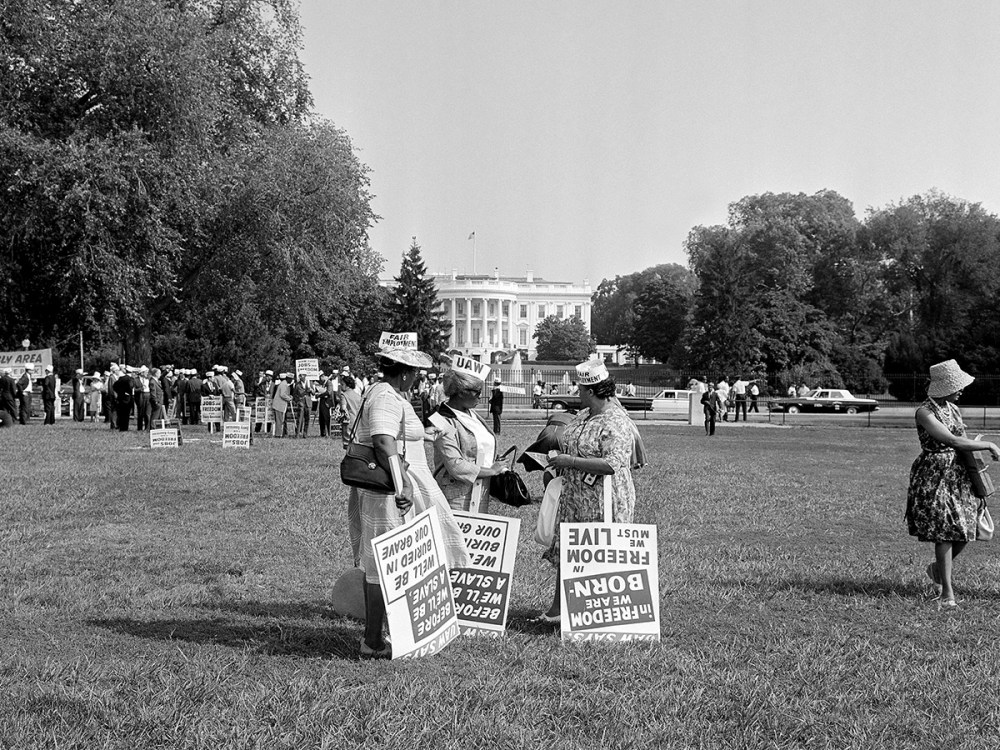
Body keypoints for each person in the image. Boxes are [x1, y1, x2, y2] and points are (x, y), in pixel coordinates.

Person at [344, 347, 470, 659]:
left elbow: (396, 435)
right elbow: (384, 440)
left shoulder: (386, 392)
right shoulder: (386, 395)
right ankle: (372, 640)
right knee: (383, 564)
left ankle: (388, 631)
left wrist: (425, 434)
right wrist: (403, 484)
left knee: (396, 560)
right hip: (388, 493)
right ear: (404, 372)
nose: (417, 379)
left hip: (395, 489)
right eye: (415, 373)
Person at [536, 359, 636, 623]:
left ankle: (595, 614)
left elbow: (613, 464)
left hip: (604, 498)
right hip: (575, 496)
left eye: (580, 389)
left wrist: (571, 462)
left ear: (591, 391)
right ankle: (557, 611)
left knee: (598, 552)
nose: (576, 393)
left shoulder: (616, 422)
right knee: (570, 551)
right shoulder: (583, 415)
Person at [906, 360, 1000, 608]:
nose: (961, 390)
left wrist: (976, 456)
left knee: (966, 528)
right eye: (958, 386)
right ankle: (947, 593)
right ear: (944, 387)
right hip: (934, 476)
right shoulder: (925, 412)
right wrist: (988, 445)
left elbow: (962, 439)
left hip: (959, 474)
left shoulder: (953, 409)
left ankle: (937, 570)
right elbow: (952, 441)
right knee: (944, 532)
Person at [431, 367, 508, 514]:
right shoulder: (440, 420)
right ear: (461, 392)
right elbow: (455, 466)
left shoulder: (471, 413)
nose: (481, 397)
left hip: (481, 489)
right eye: (477, 393)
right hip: (457, 495)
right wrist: (492, 470)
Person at [339, 374, 361, 447]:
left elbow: (343, 407)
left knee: (348, 445)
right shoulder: (358, 396)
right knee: (356, 442)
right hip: (358, 422)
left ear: (347, 385)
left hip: (348, 421)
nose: (341, 386)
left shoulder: (344, 395)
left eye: (342, 384)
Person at [272, 373, 292, 437]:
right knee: (279, 420)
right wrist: (289, 398)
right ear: (288, 378)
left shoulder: (283, 383)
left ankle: (279, 433)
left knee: (279, 420)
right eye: (291, 379)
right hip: (279, 405)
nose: (291, 380)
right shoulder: (284, 384)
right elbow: (282, 394)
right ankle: (278, 434)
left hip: (279, 405)